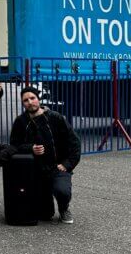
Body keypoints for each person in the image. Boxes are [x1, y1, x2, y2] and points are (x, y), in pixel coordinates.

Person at [9, 86, 82, 224]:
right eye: (26, 100)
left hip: (57, 167)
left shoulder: (56, 118)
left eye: (32, 98)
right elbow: (14, 145)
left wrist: (67, 164)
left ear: (38, 99)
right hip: (35, 170)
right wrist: (31, 148)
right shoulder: (20, 121)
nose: (30, 102)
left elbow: (75, 143)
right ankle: (44, 205)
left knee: (62, 191)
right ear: (23, 103)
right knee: (45, 215)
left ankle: (64, 208)